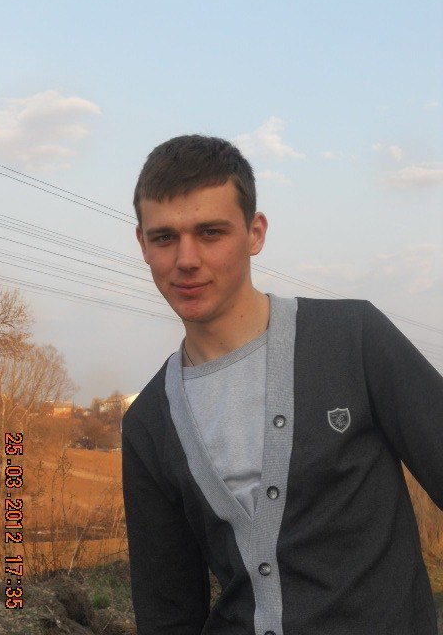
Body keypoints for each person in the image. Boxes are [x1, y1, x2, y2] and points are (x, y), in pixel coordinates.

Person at [122, 134, 443, 635]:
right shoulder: (148, 422)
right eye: (164, 237)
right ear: (142, 244)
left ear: (255, 233)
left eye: (210, 233)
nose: (186, 259)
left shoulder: (353, 339)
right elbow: (168, 612)